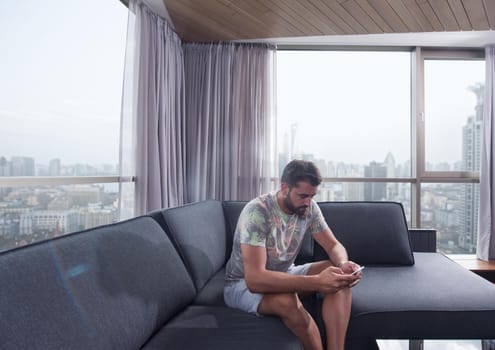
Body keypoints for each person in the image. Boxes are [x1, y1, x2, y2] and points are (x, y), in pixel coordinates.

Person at [224, 159, 362, 350]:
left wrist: (343, 263)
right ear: (284, 188)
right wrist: (318, 282)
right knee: (288, 300)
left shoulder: (309, 207)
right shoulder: (258, 212)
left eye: (312, 196)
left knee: (339, 274)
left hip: (285, 272)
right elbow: (255, 280)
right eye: (303, 195)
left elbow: (333, 245)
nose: (308, 202)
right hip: (242, 286)